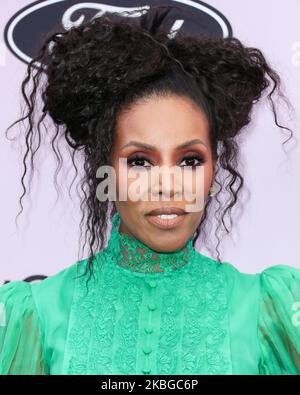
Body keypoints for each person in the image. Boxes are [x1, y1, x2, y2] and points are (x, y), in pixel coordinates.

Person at [0, 6, 299, 375]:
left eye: (189, 160)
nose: (168, 186)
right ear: (104, 170)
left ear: (214, 169)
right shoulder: (35, 315)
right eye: (140, 161)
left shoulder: (269, 311)